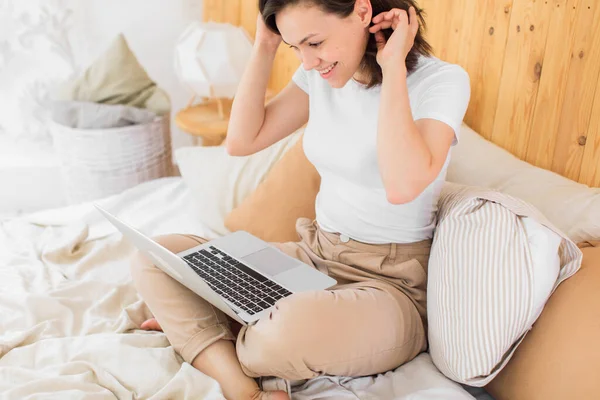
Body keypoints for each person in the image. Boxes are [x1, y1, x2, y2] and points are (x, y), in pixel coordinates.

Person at [130, 0, 470, 399]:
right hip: (313, 256)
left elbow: (401, 185)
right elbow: (242, 141)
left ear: (363, 13)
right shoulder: (320, 76)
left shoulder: (442, 82)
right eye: (296, 47)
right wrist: (266, 47)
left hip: (389, 287)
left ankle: (209, 337)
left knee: (277, 337)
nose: (309, 62)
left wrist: (393, 66)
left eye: (315, 42)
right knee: (154, 256)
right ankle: (244, 390)